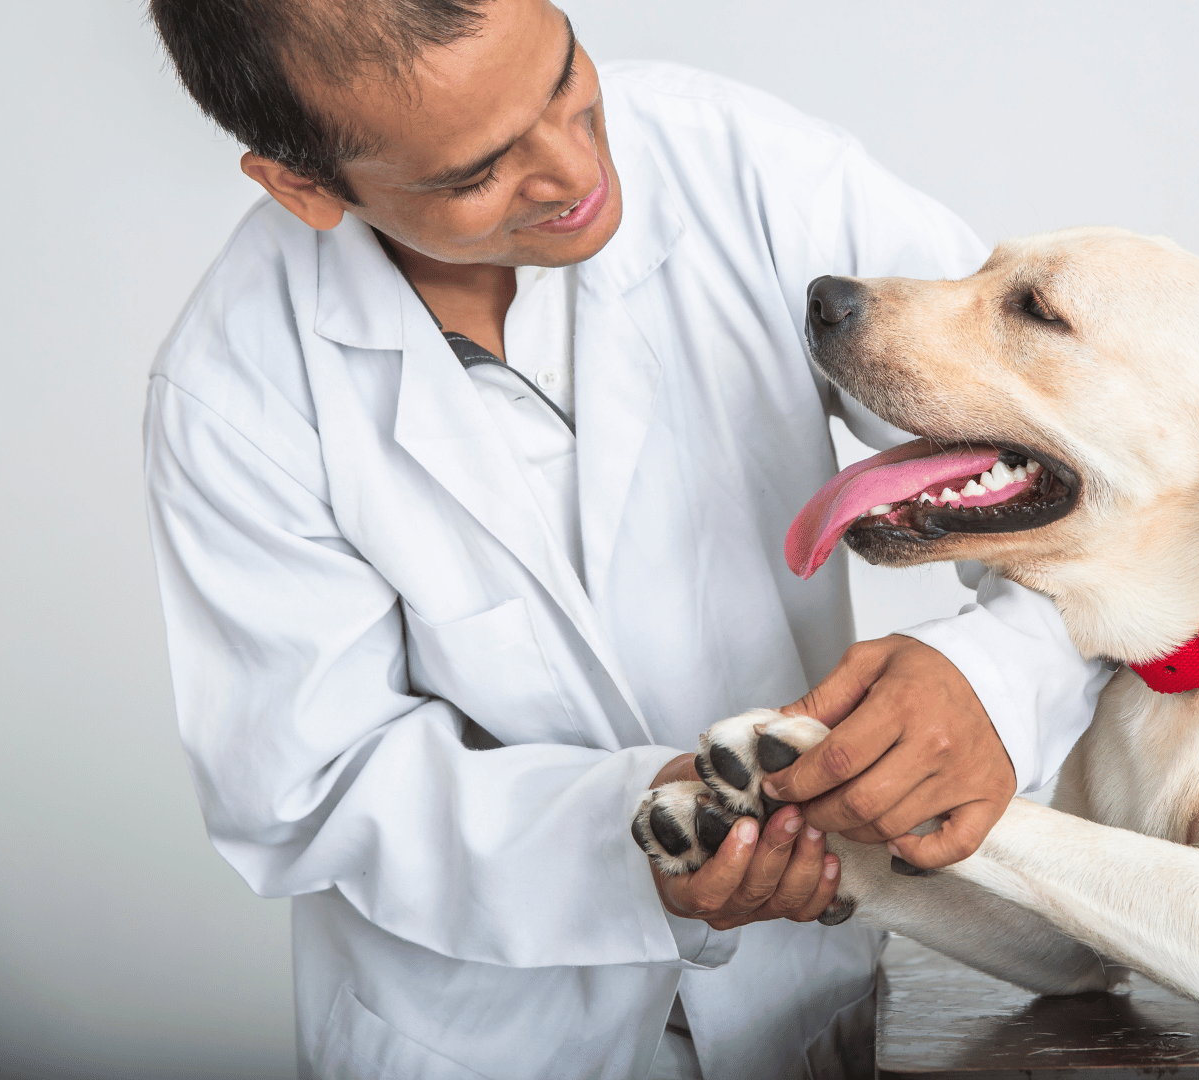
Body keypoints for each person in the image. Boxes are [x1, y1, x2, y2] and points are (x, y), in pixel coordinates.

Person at [141, 1, 1108, 1078]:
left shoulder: (747, 171)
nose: (574, 167)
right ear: (304, 185)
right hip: (485, 1044)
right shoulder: (234, 394)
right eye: (476, 173)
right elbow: (314, 787)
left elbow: (1088, 474)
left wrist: (992, 681)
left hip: (818, 1002)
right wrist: (633, 845)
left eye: (562, 74)